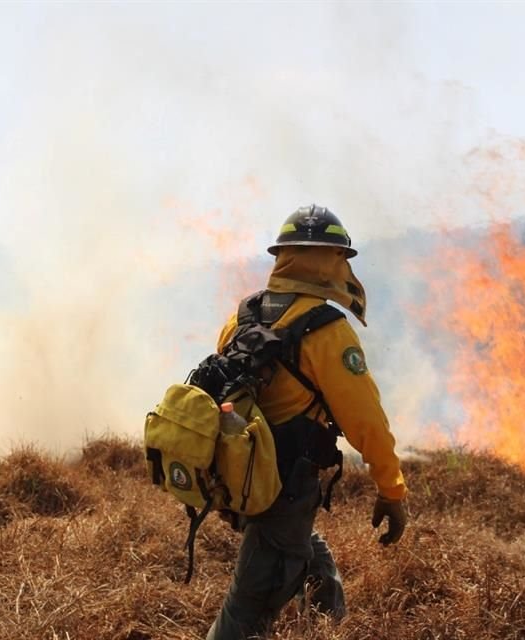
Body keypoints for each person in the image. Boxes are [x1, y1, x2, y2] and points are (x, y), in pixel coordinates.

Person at [206, 205, 409, 640]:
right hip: (287, 485)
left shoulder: (242, 316)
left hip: (241, 474)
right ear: (332, 260)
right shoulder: (325, 329)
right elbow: (366, 420)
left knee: (306, 554)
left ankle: (331, 627)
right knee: (246, 613)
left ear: (283, 257)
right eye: (339, 258)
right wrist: (391, 490)